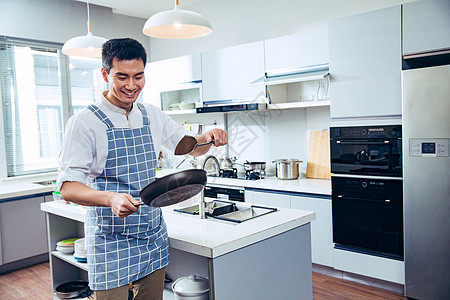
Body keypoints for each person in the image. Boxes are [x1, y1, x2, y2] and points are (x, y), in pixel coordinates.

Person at [57, 38, 227, 300]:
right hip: (110, 238)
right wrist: (111, 198)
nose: (131, 85)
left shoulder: (150, 114)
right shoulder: (84, 122)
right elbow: (68, 187)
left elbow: (186, 146)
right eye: (122, 76)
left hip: (151, 233)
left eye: (138, 76)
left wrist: (208, 138)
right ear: (105, 74)